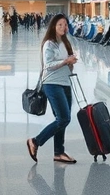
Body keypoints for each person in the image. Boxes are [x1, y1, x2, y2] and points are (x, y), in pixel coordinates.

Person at [27, 14, 78, 165]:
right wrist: (65, 61)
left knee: (62, 119)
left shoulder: (65, 42)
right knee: (64, 118)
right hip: (52, 83)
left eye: (65, 24)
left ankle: (59, 152)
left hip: (65, 83)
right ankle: (35, 141)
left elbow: (65, 62)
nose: (63, 27)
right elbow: (48, 66)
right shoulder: (49, 44)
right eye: (60, 25)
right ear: (53, 26)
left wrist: (71, 62)